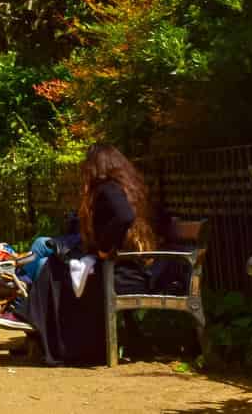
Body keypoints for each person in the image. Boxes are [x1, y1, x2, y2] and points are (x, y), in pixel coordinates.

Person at [22, 144, 178, 365]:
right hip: (138, 269)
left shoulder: (108, 188)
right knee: (58, 267)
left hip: (124, 274)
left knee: (54, 271)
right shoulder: (129, 187)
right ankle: (46, 334)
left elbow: (125, 217)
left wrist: (104, 248)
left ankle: (50, 336)